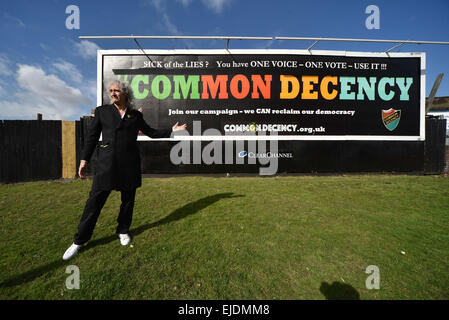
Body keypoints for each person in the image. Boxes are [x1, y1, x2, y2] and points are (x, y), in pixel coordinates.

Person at [63, 80, 186, 260]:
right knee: (93, 204)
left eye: (116, 90)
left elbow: (150, 132)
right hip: (106, 166)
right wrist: (84, 159)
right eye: (110, 91)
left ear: (125, 93)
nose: (112, 93)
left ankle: (123, 231)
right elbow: (91, 138)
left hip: (129, 165)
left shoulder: (135, 115)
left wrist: (171, 131)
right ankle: (79, 241)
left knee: (127, 202)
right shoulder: (102, 112)